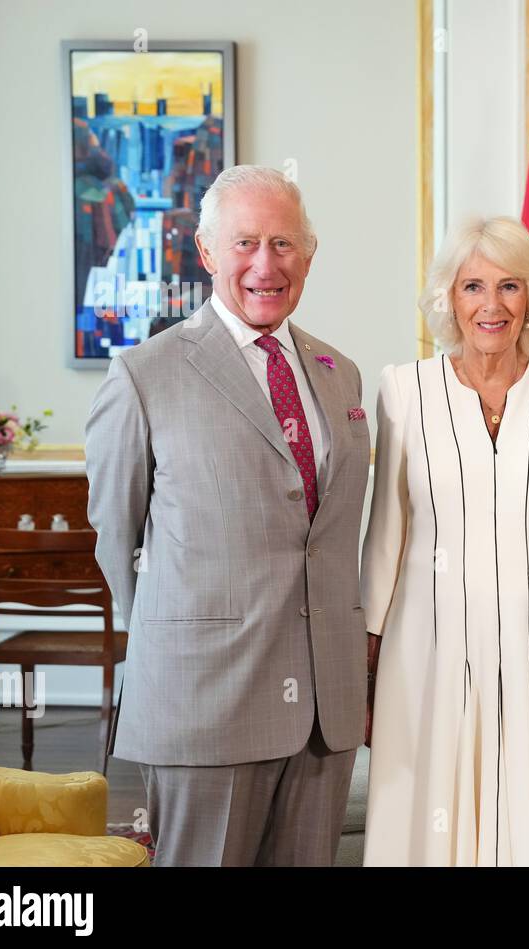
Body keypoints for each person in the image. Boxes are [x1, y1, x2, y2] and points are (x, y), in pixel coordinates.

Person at [85, 166, 368, 866]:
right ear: (208, 253)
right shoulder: (144, 376)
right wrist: (181, 639)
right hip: (205, 701)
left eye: (283, 243)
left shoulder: (342, 374)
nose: (265, 265)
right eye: (244, 243)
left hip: (322, 711)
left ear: (309, 253)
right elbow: (118, 545)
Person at [361, 216, 529, 866]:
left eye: (509, 286)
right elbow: (384, 539)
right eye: (472, 286)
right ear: (448, 299)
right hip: (430, 647)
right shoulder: (405, 390)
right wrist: (365, 669)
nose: (491, 304)